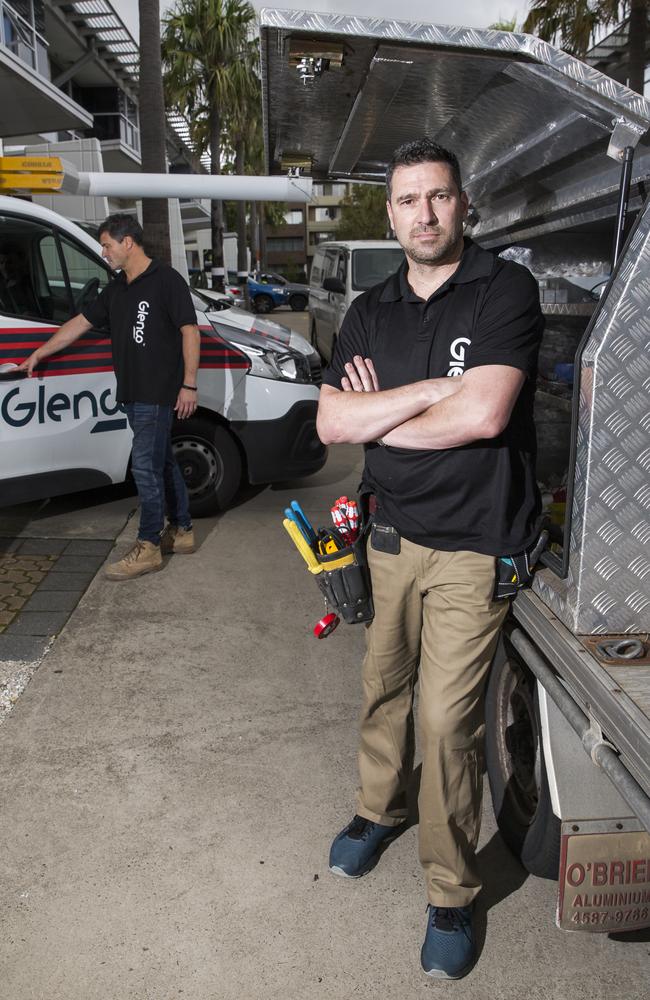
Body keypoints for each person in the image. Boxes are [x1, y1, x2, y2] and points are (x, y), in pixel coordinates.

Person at [316, 138, 543, 980]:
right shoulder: (371, 307)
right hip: (388, 537)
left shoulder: (502, 290)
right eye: (409, 200)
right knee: (383, 687)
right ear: (390, 212)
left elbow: (483, 416)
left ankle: (450, 892)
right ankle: (380, 808)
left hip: (475, 546)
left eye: (439, 197)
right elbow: (333, 425)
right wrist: (422, 396)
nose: (425, 214)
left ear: (464, 204)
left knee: (447, 724)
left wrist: (379, 410)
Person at [16, 213, 201, 581]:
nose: (104, 252)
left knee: (144, 468)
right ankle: (182, 531)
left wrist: (189, 384)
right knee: (161, 462)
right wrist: (40, 353)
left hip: (155, 392)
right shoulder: (118, 288)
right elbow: (79, 324)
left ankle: (148, 546)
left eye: (107, 245)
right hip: (131, 394)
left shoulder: (166, 280)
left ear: (127, 242)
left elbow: (189, 331)